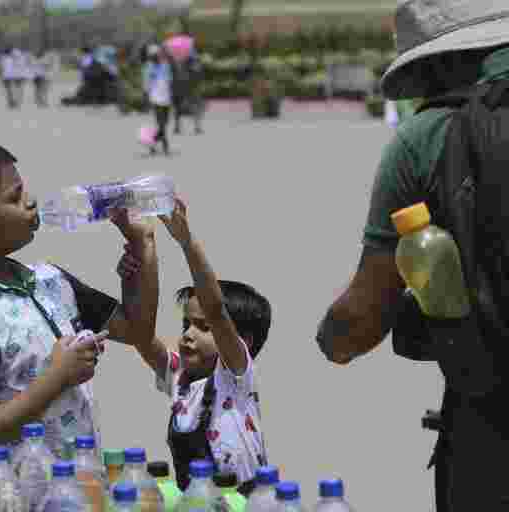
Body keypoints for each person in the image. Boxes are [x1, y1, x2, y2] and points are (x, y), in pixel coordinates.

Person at [315, 2, 509, 510]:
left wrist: (331, 339)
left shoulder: (427, 138)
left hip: (492, 441)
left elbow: (359, 322)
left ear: (440, 62)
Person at [0, 143, 158, 458]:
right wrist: (58, 377)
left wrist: (141, 245)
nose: (31, 201)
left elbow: (137, 330)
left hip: (81, 485)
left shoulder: (50, 280)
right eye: (14, 197)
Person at [117, 198, 271, 496]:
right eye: (186, 324)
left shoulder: (234, 377)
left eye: (203, 327)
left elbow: (215, 309)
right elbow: (141, 333)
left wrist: (185, 241)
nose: (188, 334)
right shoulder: (179, 379)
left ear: (244, 342)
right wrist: (139, 251)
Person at [144, 46, 173, 155]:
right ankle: (166, 146)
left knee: (164, 124)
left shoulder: (166, 65)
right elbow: (146, 84)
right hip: (156, 98)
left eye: (157, 54)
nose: (155, 56)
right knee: (161, 124)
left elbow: (170, 80)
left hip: (166, 97)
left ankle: (152, 142)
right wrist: (147, 97)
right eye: (153, 55)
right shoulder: (149, 67)